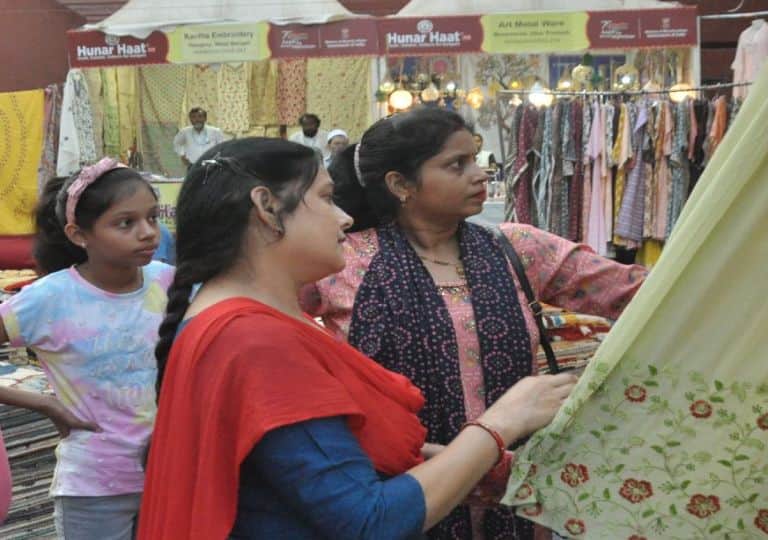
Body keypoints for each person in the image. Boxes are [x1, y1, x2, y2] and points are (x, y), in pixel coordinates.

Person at [137, 138, 575, 539]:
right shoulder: (255, 340)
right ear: (267, 208)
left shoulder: (234, 320)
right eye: (326, 198)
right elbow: (367, 520)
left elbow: (314, 460)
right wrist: (503, 422)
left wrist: (471, 462)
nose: (345, 217)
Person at [301, 107, 647, 539]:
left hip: (515, 492)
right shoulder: (342, 261)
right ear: (400, 184)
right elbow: (268, 324)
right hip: (400, 492)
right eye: (457, 164)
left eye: (476, 159)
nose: (480, 174)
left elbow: (640, 293)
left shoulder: (516, 248)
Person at [0, 158, 174, 540]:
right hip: (94, 487)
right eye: (126, 223)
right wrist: (43, 403)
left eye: (152, 217)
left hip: (169, 477)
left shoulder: (167, 281)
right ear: (79, 235)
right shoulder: (50, 298)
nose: (148, 233)